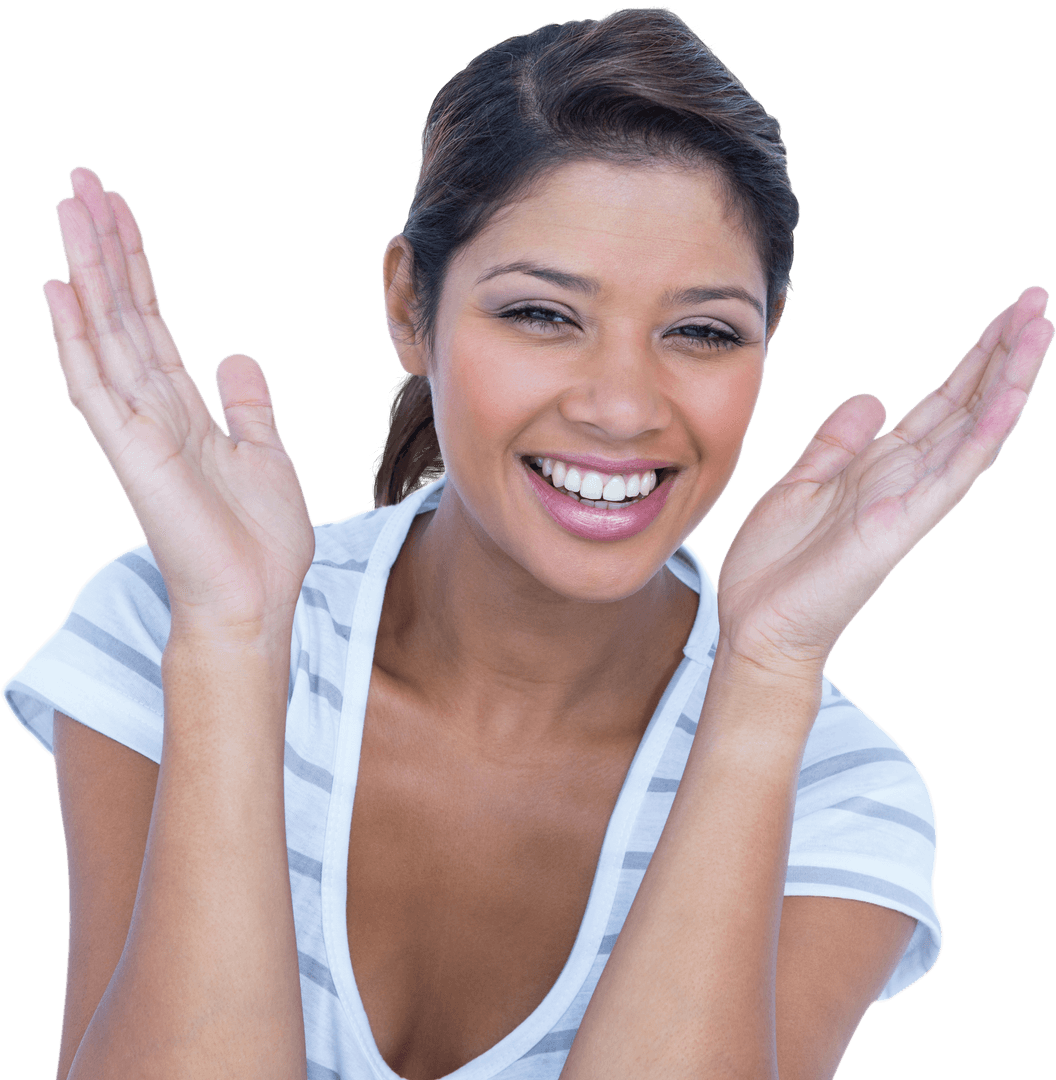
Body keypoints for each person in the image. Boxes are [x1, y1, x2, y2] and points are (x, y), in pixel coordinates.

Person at [3, 8, 1050, 1080]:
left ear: (770, 338)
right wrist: (230, 645)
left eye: (701, 332)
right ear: (412, 307)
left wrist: (768, 674)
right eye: (545, 315)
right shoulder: (171, 621)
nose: (621, 407)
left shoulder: (835, 790)